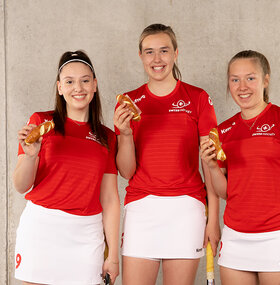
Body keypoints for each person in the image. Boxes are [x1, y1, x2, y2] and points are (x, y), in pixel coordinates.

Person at [114, 23, 220, 285]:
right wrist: (125, 134)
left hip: (187, 209)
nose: (157, 59)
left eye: (164, 50)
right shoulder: (128, 101)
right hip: (141, 208)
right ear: (140, 56)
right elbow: (126, 172)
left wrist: (214, 220)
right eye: (149, 52)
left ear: (175, 53)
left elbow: (211, 165)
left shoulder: (197, 98)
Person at [13, 50, 120, 285]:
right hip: (41, 229)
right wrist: (31, 156)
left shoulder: (107, 137)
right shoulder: (40, 122)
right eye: (69, 82)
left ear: (94, 85)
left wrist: (113, 255)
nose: (78, 88)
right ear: (60, 87)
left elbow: (110, 198)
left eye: (85, 80)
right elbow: (21, 186)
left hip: (87, 235)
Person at [200, 50, 280, 285]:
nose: (242, 86)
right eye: (235, 79)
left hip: (275, 236)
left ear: (266, 80)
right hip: (236, 237)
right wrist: (213, 167)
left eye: (250, 78)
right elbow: (226, 192)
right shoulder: (223, 131)